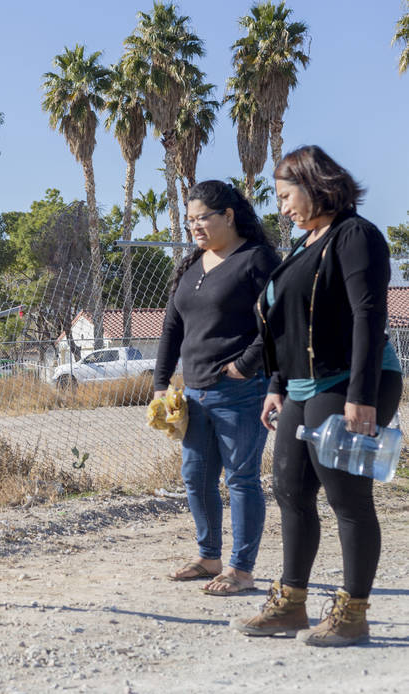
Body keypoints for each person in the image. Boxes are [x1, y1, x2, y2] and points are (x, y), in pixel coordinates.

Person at [232, 146, 402, 646]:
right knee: (289, 491)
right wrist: (277, 384)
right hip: (303, 386)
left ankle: (353, 613)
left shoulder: (356, 235)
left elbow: (369, 316)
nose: (282, 207)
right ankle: (291, 604)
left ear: (314, 183)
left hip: (350, 382)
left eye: (286, 195)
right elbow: (286, 326)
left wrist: (361, 396)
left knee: (347, 497)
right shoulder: (306, 244)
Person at [154, 180, 280, 594]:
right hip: (194, 393)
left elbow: (278, 323)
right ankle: (209, 558)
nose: (195, 226)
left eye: (202, 218)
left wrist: (244, 367)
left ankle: (241, 569)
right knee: (196, 476)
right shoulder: (192, 264)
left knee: (242, 479)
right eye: (190, 220)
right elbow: (172, 328)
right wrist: (160, 384)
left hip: (241, 392)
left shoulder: (257, 259)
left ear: (228, 215)